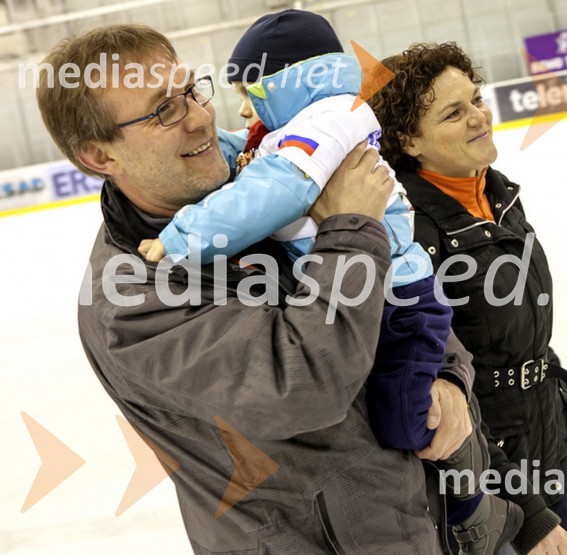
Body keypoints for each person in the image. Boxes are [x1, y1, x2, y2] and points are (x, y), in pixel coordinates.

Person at [37, 24, 481, 554]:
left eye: (191, 90)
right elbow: (305, 386)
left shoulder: (255, 179)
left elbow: (402, 283)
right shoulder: (130, 304)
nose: (200, 117)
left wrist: (448, 376)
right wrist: (350, 229)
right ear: (98, 156)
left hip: (430, 528)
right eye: (163, 110)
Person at [137, 11, 521, 554]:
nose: (242, 111)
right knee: (402, 411)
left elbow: (274, 191)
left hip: (400, 301)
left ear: (286, 84)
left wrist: (184, 236)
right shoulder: (306, 124)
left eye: (251, 95)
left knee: (408, 423)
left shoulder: (326, 126)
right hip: (383, 294)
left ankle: (474, 507)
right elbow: (245, 154)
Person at [370, 42, 567, 555]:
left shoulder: (498, 194)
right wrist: (527, 512)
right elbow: (441, 391)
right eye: (453, 113)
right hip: (488, 482)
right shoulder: (410, 234)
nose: (478, 117)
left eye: (476, 99)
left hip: (553, 450)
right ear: (408, 141)